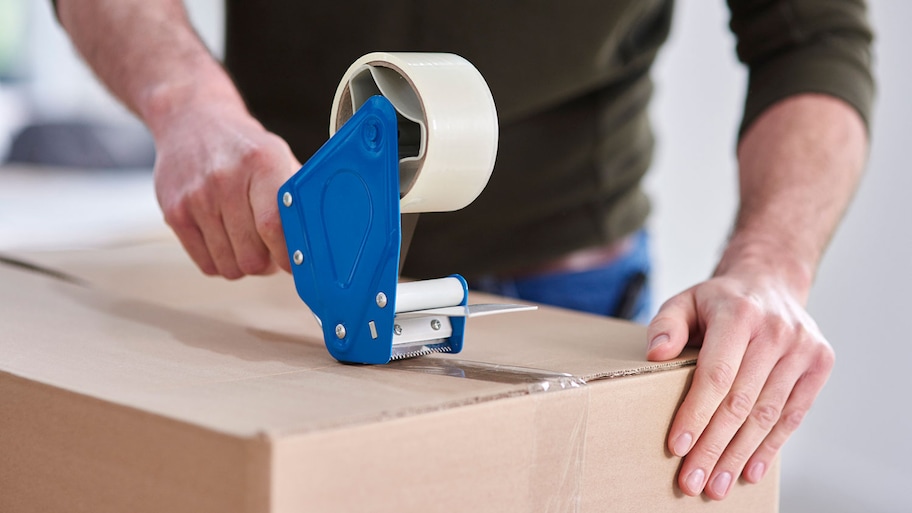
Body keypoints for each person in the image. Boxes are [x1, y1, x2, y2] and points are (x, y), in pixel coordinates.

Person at [53, 0, 873, 501]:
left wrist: (771, 261)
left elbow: (816, 33)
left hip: (574, 293)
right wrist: (186, 99)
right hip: (281, 264)